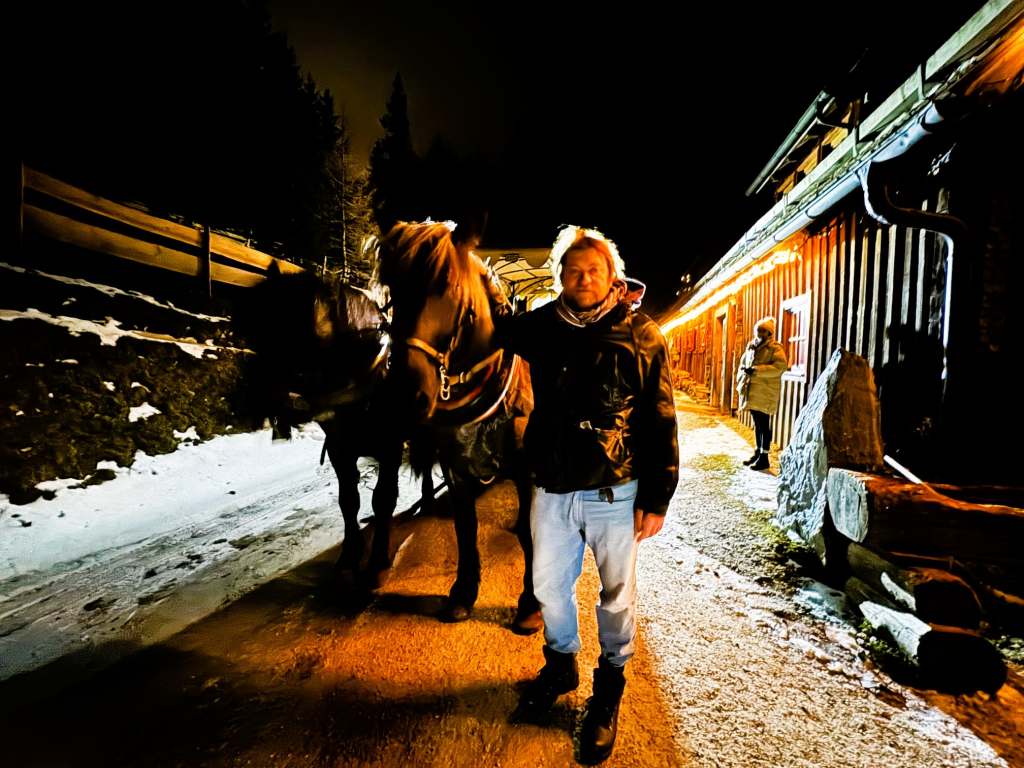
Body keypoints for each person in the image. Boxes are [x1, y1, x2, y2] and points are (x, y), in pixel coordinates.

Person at [500, 225, 678, 764]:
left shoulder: (642, 334)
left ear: (612, 277)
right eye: (573, 271)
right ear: (559, 278)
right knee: (548, 587)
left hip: (616, 490)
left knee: (616, 596)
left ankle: (610, 689)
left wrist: (659, 495)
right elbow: (484, 333)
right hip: (552, 488)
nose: (583, 279)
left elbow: (660, 416)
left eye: (592, 271)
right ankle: (560, 665)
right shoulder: (539, 327)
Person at [735, 317, 788, 471]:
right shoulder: (752, 346)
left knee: (764, 424)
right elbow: (743, 363)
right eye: (758, 330)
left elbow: (780, 367)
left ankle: (765, 457)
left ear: (769, 332)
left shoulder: (775, 348)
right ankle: (758, 452)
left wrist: (757, 371)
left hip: (765, 391)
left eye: (763, 330)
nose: (759, 333)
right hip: (752, 390)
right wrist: (744, 375)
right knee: (757, 423)